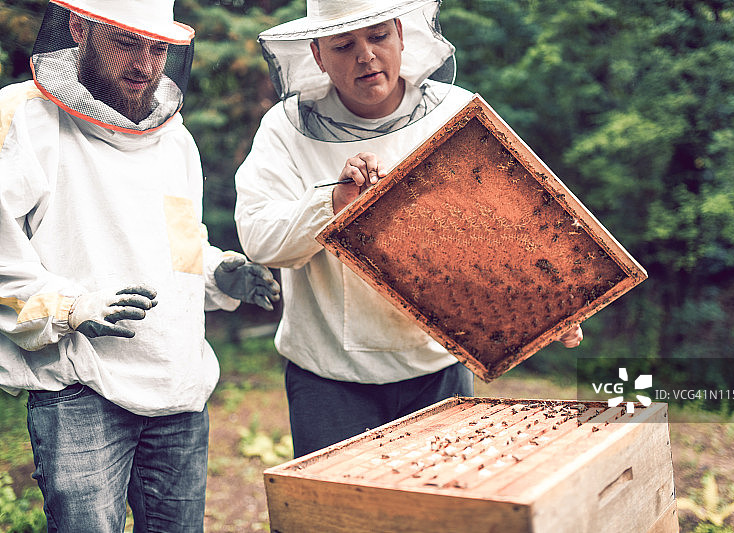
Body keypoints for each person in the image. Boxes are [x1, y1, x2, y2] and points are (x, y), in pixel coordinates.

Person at [234, 0, 583, 458]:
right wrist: (333, 202)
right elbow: (259, 238)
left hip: (439, 371)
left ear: (400, 34)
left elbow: (506, 235)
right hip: (329, 380)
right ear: (318, 55)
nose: (366, 56)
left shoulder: (456, 113)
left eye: (378, 36)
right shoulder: (285, 129)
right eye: (343, 45)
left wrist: (550, 303)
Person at [0, 1, 280, 531]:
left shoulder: (173, 138)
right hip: (80, 391)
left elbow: (175, 250)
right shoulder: (24, 117)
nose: (146, 64)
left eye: (158, 48)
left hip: (177, 389)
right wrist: (72, 308)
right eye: (127, 42)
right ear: (79, 28)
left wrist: (217, 273)